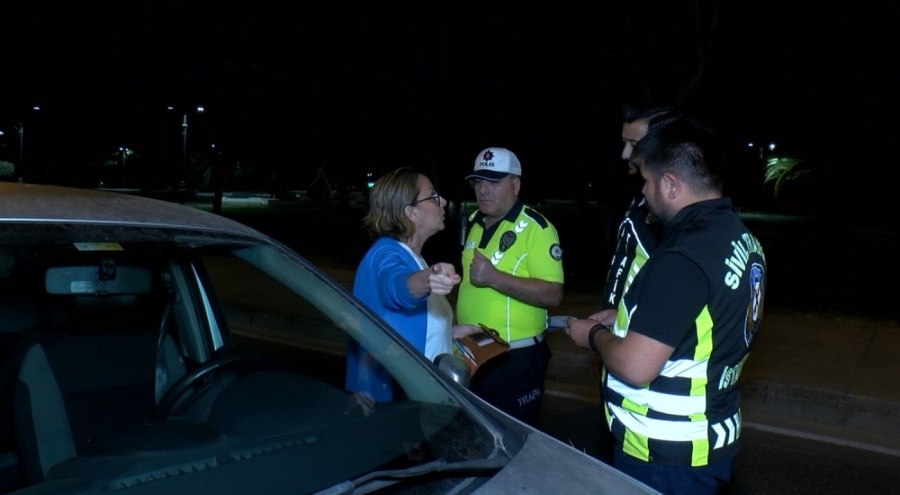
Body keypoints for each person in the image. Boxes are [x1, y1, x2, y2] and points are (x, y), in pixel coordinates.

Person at [565, 117, 767, 495]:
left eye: (646, 180)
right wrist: (625, 318)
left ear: (671, 184)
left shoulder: (682, 256)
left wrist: (592, 334)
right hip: (706, 438)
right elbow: (701, 325)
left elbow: (637, 365)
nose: (643, 192)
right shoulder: (739, 238)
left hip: (663, 452)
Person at [346, 167, 479, 403]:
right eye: (433, 196)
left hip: (421, 396)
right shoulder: (384, 254)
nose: (444, 202)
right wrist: (429, 278)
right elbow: (396, 289)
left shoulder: (413, 258)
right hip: (397, 401)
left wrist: (451, 332)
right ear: (411, 213)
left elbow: (406, 325)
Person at [591, 102, 677, 463]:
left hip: (644, 361)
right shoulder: (642, 197)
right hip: (618, 348)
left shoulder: (672, 214)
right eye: (623, 142)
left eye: (634, 144)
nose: (625, 153)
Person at [456, 147, 564, 427]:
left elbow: (553, 294)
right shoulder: (474, 223)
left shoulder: (537, 229)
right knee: (476, 433)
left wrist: (494, 277)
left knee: (513, 438)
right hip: (472, 353)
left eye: (494, 182)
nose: (483, 190)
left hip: (514, 359)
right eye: (478, 181)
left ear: (515, 184)